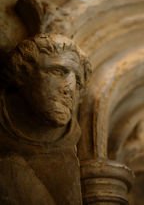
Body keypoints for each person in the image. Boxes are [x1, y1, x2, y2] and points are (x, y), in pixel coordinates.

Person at [0, 33, 91, 204]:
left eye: (77, 80)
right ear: (22, 72)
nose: (69, 89)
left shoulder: (69, 140)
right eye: (58, 71)